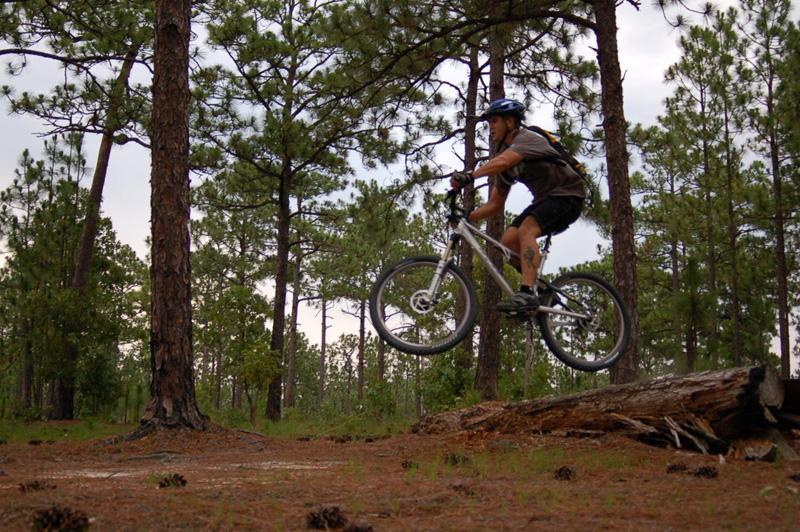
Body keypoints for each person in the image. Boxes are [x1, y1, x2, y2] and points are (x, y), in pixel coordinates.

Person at [451, 98, 585, 312]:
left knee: (526, 230)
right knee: (508, 242)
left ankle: (526, 292)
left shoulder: (526, 139)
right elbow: (496, 204)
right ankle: (540, 291)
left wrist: (470, 175)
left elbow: (504, 162)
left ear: (511, 122)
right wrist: (468, 217)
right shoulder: (505, 160)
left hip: (568, 194)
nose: (491, 128)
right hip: (547, 200)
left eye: (494, 121)